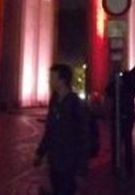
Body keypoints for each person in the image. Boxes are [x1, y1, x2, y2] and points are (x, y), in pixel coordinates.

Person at [34, 64, 89, 195]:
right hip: (54, 160)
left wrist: (81, 169)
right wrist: (40, 153)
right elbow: (50, 129)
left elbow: (84, 136)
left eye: (53, 77)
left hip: (69, 162)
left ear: (62, 80)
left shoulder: (75, 104)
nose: (50, 81)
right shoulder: (54, 101)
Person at [105, 72, 135, 177]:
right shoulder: (132, 88)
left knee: (117, 144)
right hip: (127, 118)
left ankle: (117, 166)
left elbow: (108, 91)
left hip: (119, 117)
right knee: (127, 144)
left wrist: (115, 82)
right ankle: (128, 168)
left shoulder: (121, 88)